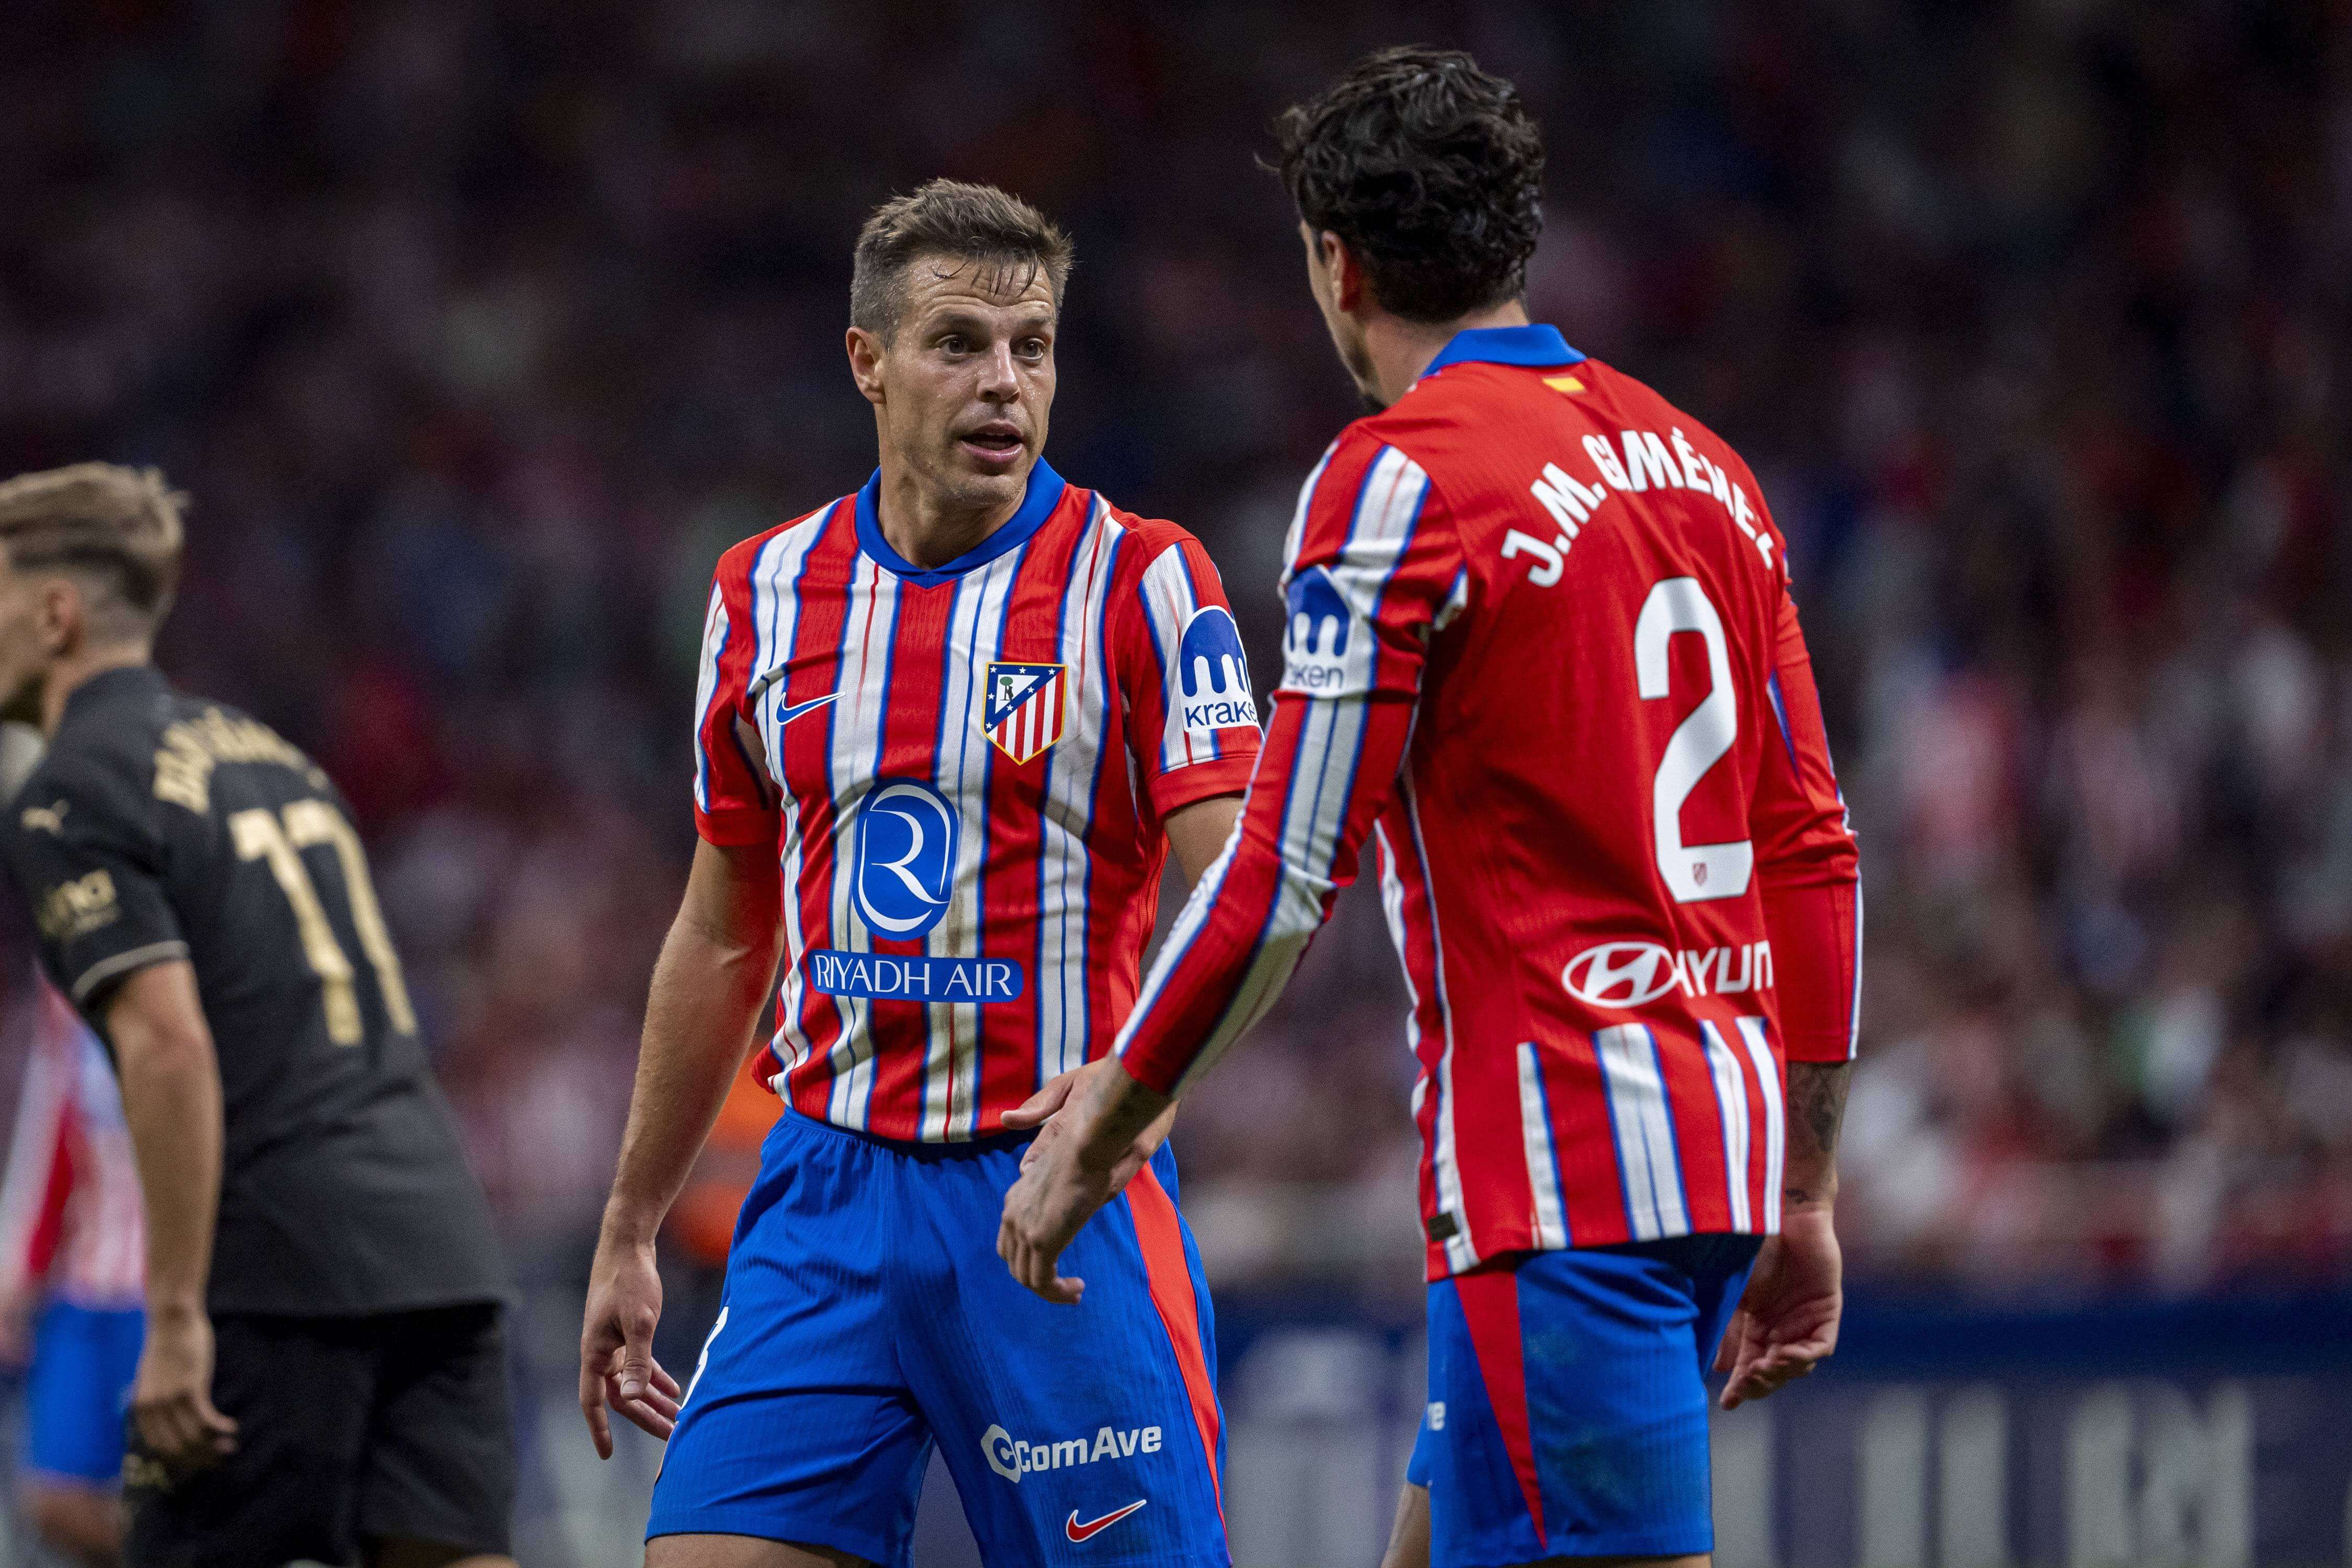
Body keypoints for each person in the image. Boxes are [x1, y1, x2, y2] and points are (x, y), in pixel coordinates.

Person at [1001, 48, 1863, 1568]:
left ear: (1338, 268)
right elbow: (1812, 845)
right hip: (1715, 1158)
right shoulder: (1709, 472)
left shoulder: (1400, 481)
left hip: (1565, 1179)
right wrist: (1800, 1183)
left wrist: (1104, 1126)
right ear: (1514, 244)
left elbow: (1282, 870)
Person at [578, 180, 1257, 1568]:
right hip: (820, 1191)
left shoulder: (1141, 581)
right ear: (866, 361)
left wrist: (1143, 1085)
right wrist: (631, 1224)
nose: (1004, 381)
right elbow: (720, 933)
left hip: (1047, 1197)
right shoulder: (761, 593)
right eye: (958, 342)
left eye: (1034, 346)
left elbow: (1247, 881)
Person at [0, 463, 517, 1568]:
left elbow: (167, 1041)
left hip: (283, 1265)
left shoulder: (70, 789)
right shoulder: (275, 758)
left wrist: (177, 1314)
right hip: (439, 1236)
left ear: (54, 612)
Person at [0, 979, 145, 1567]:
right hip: (87, 1280)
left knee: (176, 1491)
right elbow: (56, 1118)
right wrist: (22, 1267)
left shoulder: (203, 938)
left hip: (175, 1283)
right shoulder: (65, 980)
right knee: (53, 1496)